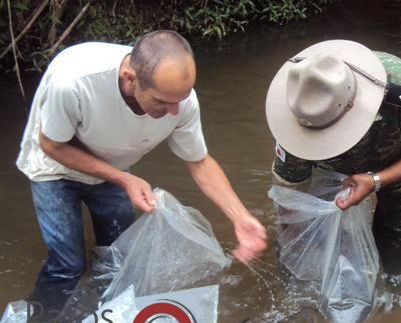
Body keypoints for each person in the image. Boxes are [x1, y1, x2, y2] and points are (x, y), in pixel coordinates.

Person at [17, 30, 267, 295]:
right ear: (130, 78)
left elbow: (199, 162)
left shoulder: (180, 101)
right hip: (54, 168)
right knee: (67, 266)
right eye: (162, 101)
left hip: (112, 167)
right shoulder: (73, 83)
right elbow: (51, 145)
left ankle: (106, 321)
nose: (173, 112)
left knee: (120, 258)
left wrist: (240, 217)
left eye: (179, 101)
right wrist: (124, 179)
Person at [265, 39, 401, 256]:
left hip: (400, 161)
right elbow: (290, 194)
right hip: (331, 171)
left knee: (397, 247)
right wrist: (292, 246)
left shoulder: (400, 87)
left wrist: (375, 181)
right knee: (325, 245)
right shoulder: (298, 113)